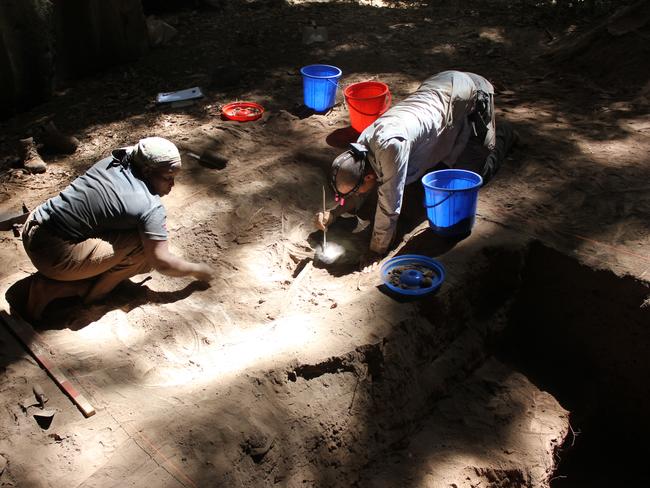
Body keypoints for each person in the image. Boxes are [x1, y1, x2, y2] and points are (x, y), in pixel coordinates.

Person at [314, 70, 517, 271]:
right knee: (434, 163)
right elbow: (357, 187)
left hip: (469, 95)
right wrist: (334, 212)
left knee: (473, 171)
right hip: (441, 90)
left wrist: (376, 250)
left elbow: (389, 206)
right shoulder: (360, 150)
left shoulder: (391, 147)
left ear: (368, 176)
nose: (359, 194)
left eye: (358, 190)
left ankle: (505, 134)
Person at [20, 136, 215, 320]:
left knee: (132, 234)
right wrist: (196, 270)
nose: (172, 184)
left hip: (34, 226)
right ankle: (87, 295)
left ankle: (78, 276)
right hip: (53, 256)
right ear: (147, 171)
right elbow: (162, 263)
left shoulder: (116, 160)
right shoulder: (148, 205)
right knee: (144, 250)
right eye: (167, 177)